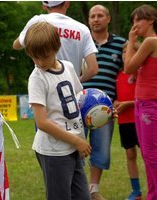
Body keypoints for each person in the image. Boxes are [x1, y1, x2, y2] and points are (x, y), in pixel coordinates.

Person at [26, 21, 92, 200]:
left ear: (57, 47)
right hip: (53, 151)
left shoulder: (69, 67)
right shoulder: (37, 79)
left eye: (45, 56)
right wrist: (76, 141)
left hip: (73, 145)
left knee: (83, 197)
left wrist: (101, 113)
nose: (40, 62)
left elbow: (80, 100)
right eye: (35, 57)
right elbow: (42, 123)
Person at [81, 5, 127, 200]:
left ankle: (93, 191)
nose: (96, 19)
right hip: (79, 104)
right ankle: (77, 188)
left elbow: (126, 74)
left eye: (100, 15)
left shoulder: (121, 44)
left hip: (105, 108)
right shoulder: (81, 42)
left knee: (101, 150)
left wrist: (120, 98)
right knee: (76, 147)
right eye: (92, 16)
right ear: (89, 20)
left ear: (108, 19)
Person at [13, 1, 98, 83]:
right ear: (67, 3)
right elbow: (93, 69)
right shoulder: (82, 29)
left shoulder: (38, 22)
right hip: (70, 91)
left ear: (44, 6)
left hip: (45, 88)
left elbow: (16, 45)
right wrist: (76, 81)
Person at [124, 5, 157, 200]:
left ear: (151, 20)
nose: (135, 25)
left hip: (148, 105)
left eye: (139, 20)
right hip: (143, 104)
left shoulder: (150, 42)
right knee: (148, 154)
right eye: (133, 21)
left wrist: (131, 41)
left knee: (150, 154)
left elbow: (127, 67)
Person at [113, 41, 143, 200]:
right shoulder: (118, 74)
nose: (126, 55)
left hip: (142, 119)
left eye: (130, 51)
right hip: (124, 121)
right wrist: (116, 103)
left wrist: (128, 104)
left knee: (148, 155)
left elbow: (148, 99)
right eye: (124, 52)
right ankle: (136, 192)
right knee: (130, 154)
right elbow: (118, 97)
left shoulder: (142, 73)